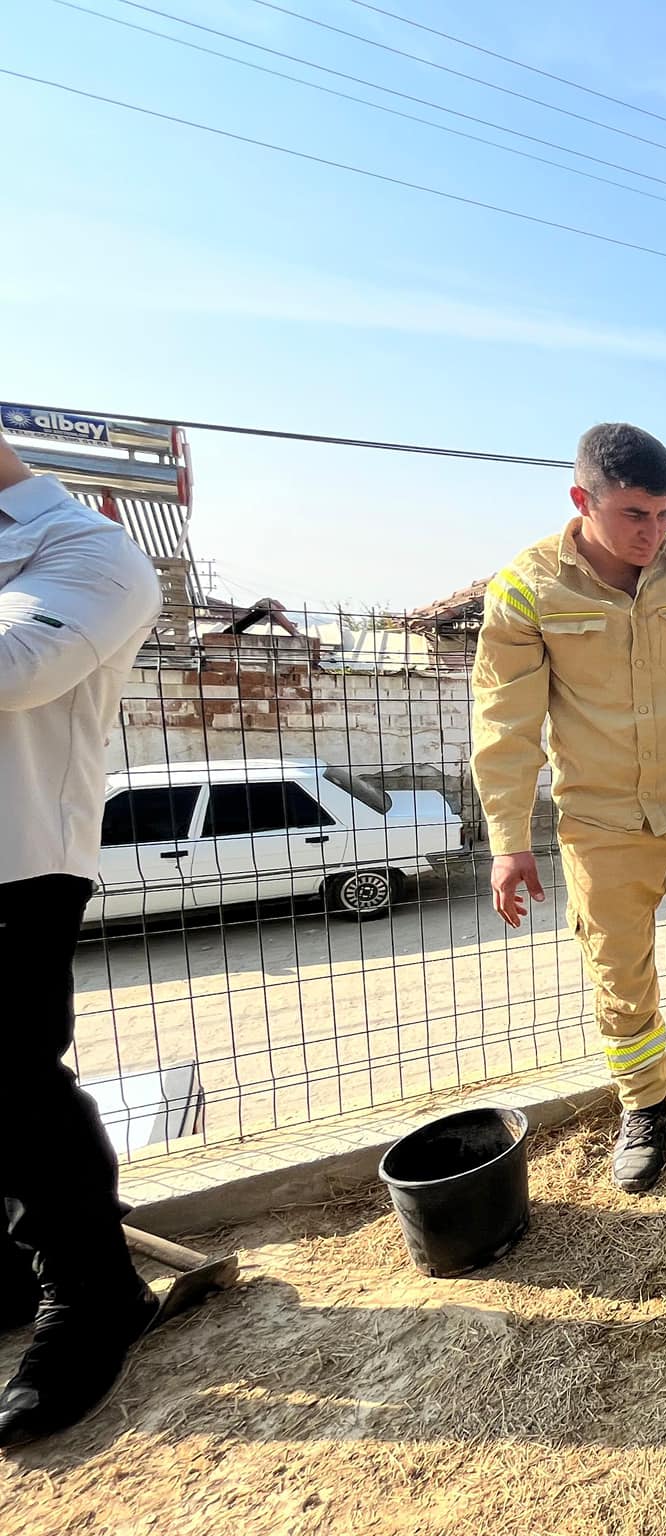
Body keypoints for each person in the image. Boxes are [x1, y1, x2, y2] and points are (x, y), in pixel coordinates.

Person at [471, 424, 666, 1193]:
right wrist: (509, 839)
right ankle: (646, 1110)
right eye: (637, 515)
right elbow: (505, 722)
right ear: (584, 500)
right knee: (621, 984)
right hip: (603, 827)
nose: (656, 533)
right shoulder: (527, 587)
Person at [0, 433, 165, 1448]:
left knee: (11, 1076)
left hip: (20, 856)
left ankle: (94, 1293)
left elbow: (17, 667)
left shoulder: (86, 549)